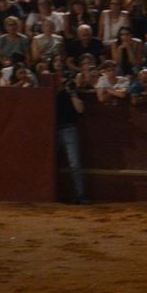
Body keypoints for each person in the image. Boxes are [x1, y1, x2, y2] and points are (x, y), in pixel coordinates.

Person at [56, 74, 88, 204]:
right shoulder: (51, 93)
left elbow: (80, 109)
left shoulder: (72, 92)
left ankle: (80, 195)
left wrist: (72, 93)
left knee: (74, 164)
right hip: (52, 130)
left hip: (68, 129)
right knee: (51, 163)